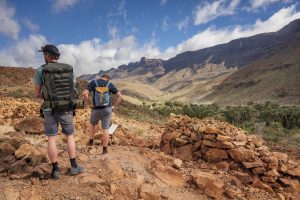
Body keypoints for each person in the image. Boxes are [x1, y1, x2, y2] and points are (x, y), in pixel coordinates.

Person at [34, 44, 84, 179]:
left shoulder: (40, 70)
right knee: (70, 136)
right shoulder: (68, 69)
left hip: (49, 108)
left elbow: (36, 94)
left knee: (51, 138)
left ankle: (55, 170)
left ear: (47, 56)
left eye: (43, 54)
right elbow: (74, 90)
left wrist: (48, 95)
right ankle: (74, 166)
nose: (43, 56)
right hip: (66, 107)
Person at [82, 74, 122, 157]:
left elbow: (85, 94)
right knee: (106, 128)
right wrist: (114, 106)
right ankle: (104, 150)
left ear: (101, 77)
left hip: (96, 109)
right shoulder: (109, 84)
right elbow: (119, 96)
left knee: (92, 124)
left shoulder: (94, 82)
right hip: (107, 109)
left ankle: (91, 142)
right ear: (107, 79)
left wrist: (89, 104)